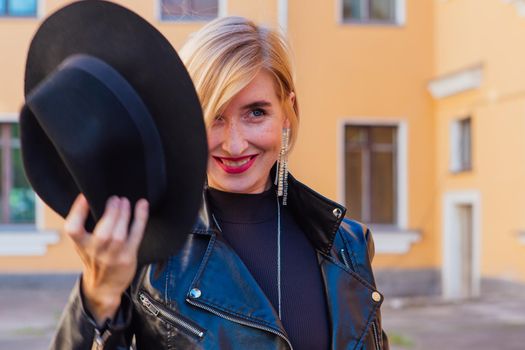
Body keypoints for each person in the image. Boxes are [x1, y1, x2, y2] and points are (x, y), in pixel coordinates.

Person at [51, 16, 389, 350]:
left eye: (256, 112)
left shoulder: (349, 245)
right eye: (214, 116)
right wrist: (97, 298)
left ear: (287, 112)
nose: (235, 144)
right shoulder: (146, 249)